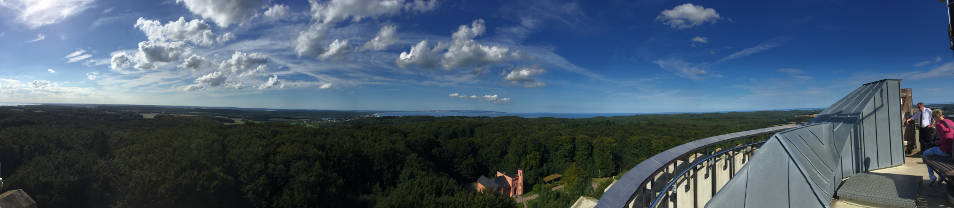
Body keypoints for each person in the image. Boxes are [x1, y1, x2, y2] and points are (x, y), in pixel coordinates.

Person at [925, 109, 953, 185]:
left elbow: (944, 139)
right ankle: (941, 176)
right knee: (937, 154)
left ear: (935, 117)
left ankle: (932, 176)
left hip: (946, 150)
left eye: (933, 118)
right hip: (952, 150)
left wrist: (935, 142)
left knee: (925, 154)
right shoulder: (950, 121)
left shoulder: (939, 125)